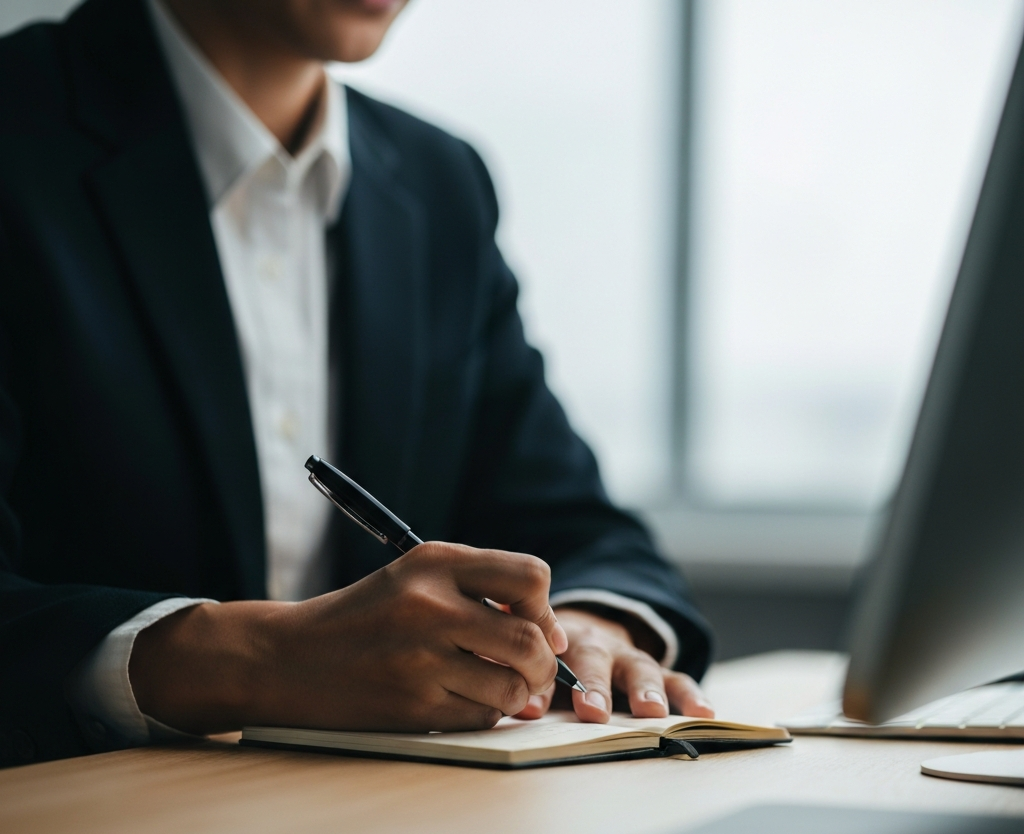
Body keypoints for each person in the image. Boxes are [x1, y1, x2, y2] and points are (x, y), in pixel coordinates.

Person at [0, 0, 713, 770]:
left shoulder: (438, 184)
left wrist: (587, 630)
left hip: (371, 832)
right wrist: (250, 662)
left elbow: (578, 526)